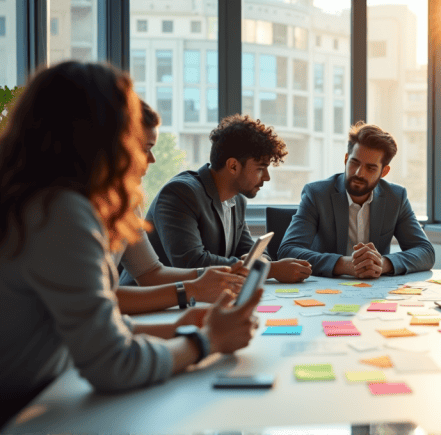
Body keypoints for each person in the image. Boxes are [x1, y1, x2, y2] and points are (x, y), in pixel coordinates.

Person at [0, 62, 260, 427]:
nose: (144, 158)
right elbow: (113, 364)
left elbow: (92, 325)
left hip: (44, 397)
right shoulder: (59, 212)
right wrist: (206, 342)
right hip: (24, 413)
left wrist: (178, 328)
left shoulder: (36, 199)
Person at [133, 114, 312, 284]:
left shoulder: (237, 200)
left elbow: (252, 252)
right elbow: (191, 262)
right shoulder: (181, 193)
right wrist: (269, 270)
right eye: (260, 168)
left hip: (202, 297)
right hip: (151, 304)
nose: (266, 177)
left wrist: (261, 263)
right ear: (233, 166)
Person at [114, 101, 246, 315]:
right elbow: (94, 301)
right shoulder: (69, 210)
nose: (152, 159)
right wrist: (193, 289)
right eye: (145, 149)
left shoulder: (128, 201)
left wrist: (210, 276)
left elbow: (150, 272)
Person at [278, 122, 435, 278]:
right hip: (326, 288)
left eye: (371, 168)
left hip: (374, 289)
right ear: (346, 159)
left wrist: (383, 263)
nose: (359, 173)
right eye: (354, 163)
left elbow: (425, 252)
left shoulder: (396, 197)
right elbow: (288, 250)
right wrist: (343, 264)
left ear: (384, 171)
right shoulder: (317, 194)